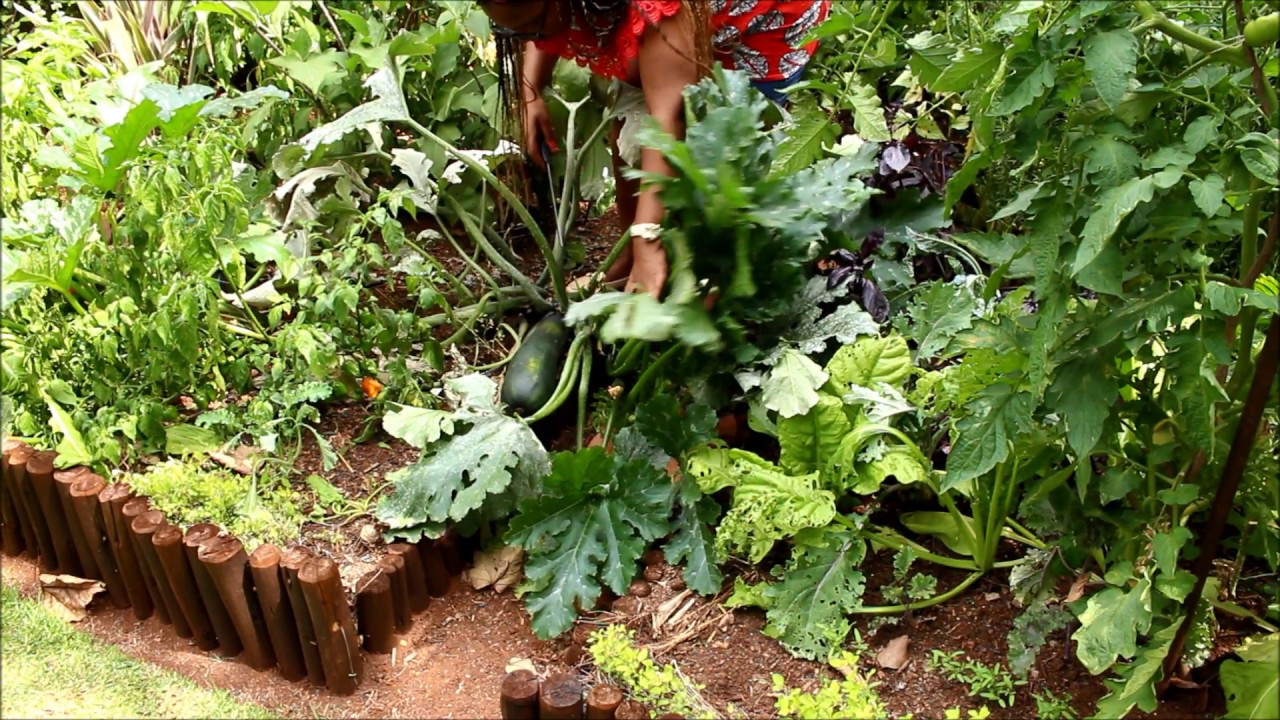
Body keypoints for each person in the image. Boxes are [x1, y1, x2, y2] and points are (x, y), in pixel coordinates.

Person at [476, 0, 830, 299]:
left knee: (723, 146)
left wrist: (649, 237)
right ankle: (628, 256)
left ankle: (714, 275)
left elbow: (666, 120)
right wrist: (530, 91)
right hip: (666, 24)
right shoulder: (582, 9)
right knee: (631, 94)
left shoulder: (655, 8)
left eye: (532, 32)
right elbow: (538, 23)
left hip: (762, 24)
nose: (531, 42)